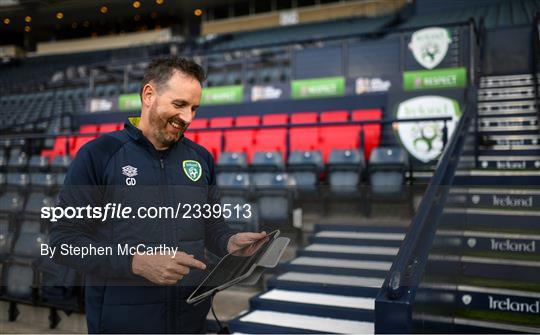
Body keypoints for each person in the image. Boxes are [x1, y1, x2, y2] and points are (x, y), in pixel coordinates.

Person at [49, 56, 266, 333]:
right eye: (179, 105)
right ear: (149, 95)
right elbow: (63, 241)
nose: (188, 118)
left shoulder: (200, 159)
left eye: (194, 108)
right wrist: (134, 263)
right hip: (122, 323)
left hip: (190, 319)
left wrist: (229, 241)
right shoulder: (98, 155)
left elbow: (210, 224)